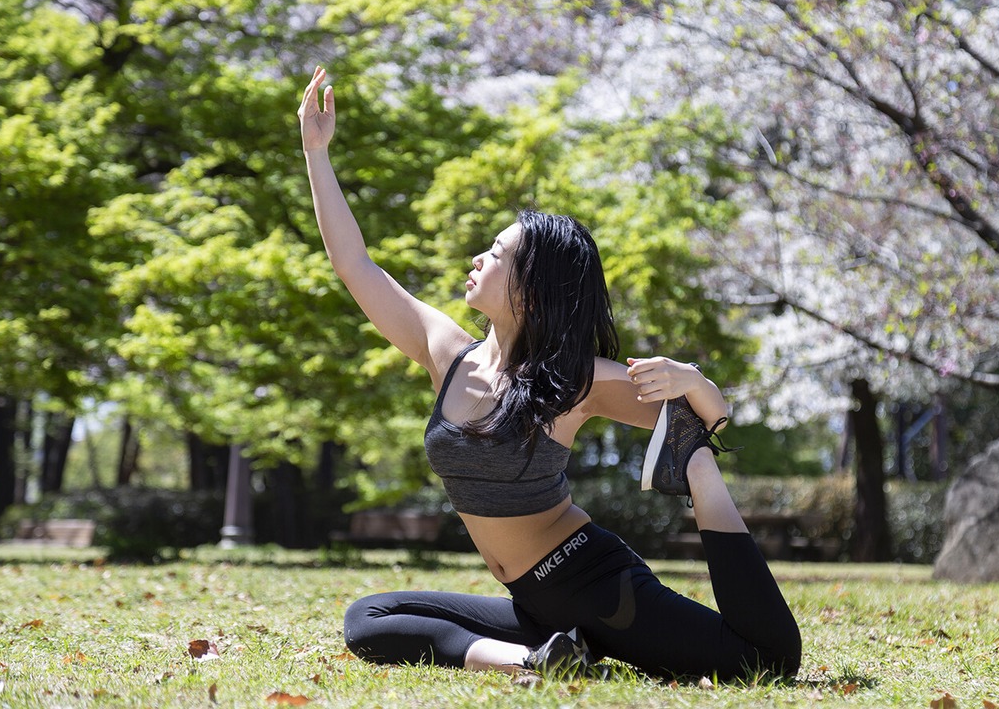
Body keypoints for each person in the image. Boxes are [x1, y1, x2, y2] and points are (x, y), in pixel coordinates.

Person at [298, 65, 801, 682]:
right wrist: (316, 153)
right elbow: (356, 266)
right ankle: (534, 660)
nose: (478, 257)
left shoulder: (572, 381)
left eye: (499, 253)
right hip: (535, 608)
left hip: (593, 585)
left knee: (767, 661)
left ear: (534, 289)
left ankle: (555, 652)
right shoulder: (446, 353)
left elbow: (706, 420)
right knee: (369, 618)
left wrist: (694, 380)